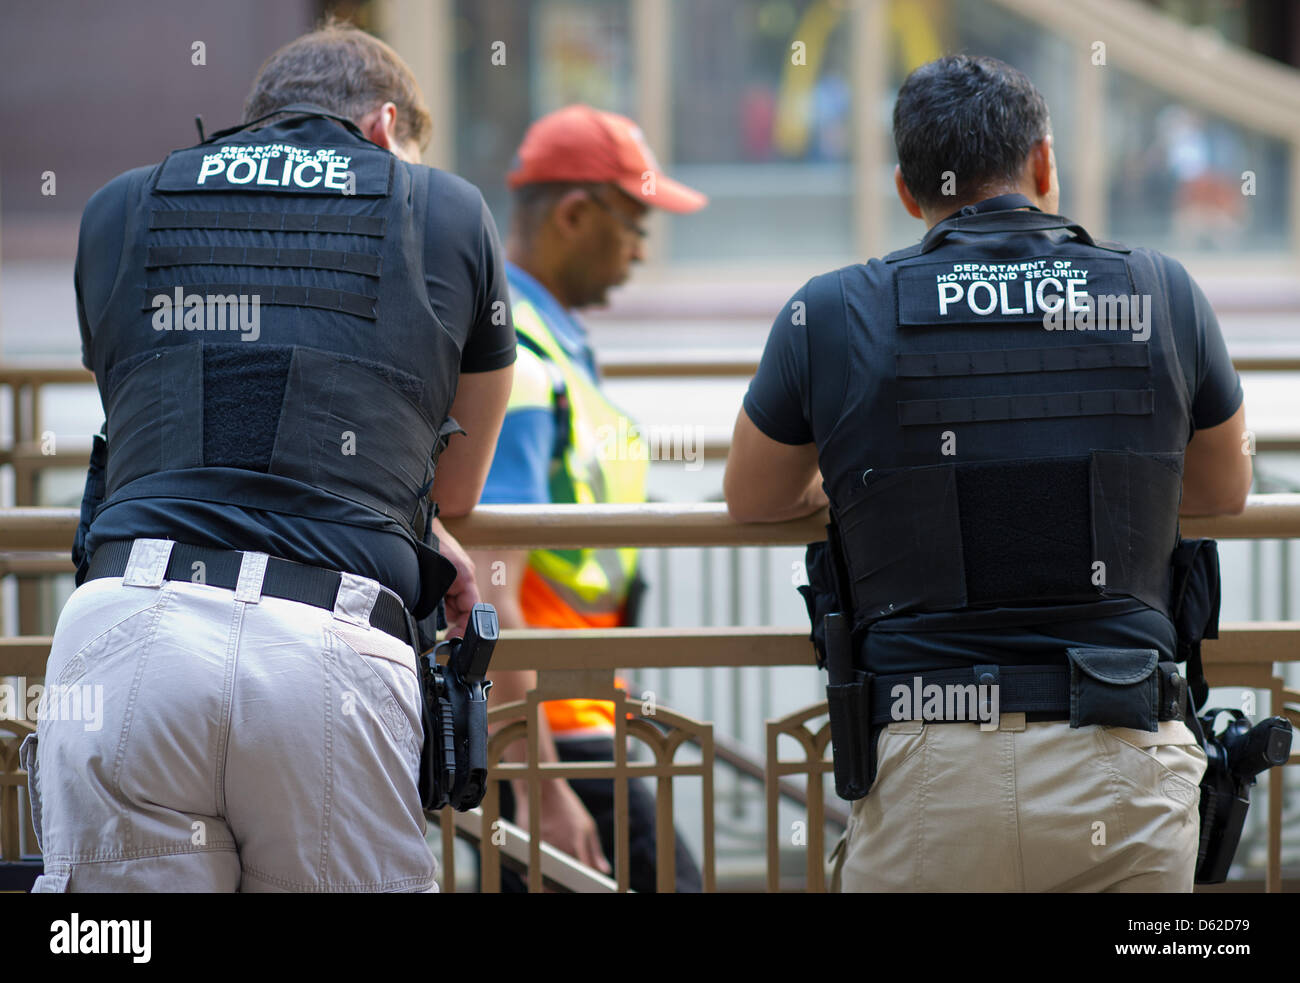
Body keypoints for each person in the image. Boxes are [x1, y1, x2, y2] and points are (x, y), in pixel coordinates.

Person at [725, 54, 1251, 892]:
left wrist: (865, 481)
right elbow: (1224, 488)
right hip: (1124, 757)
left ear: (907, 190)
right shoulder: (1162, 291)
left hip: (929, 764)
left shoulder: (828, 311)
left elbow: (753, 496)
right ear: (1044, 163)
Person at [20, 21, 515, 892]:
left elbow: (151, 426)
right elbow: (456, 482)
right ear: (384, 131)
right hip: (329, 648)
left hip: (124, 632)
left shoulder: (119, 206)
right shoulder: (445, 209)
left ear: (256, 120)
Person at [471, 104, 705, 892]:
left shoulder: (543, 336)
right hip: (549, 737)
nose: (642, 248)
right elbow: (491, 583)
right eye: (635, 221)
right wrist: (539, 784)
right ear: (576, 213)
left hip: (562, 721)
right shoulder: (517, 356)